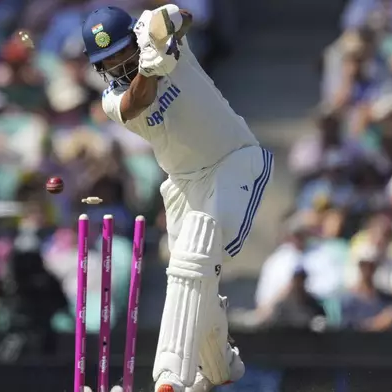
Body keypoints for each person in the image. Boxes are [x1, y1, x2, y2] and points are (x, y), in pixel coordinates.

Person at [81, 4, 272, 392]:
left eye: (121, 51)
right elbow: (139, 101)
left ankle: (170, 377)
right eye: (108, 60)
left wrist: (165, 29)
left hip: (234, 159)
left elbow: (183, 16)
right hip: (183, 185)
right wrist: (150, 66)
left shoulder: (157, 42)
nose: (117, 63)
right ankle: (220, 365)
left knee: (193, 256)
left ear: (133, 40)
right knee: (191, 271)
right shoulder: (112, 102)